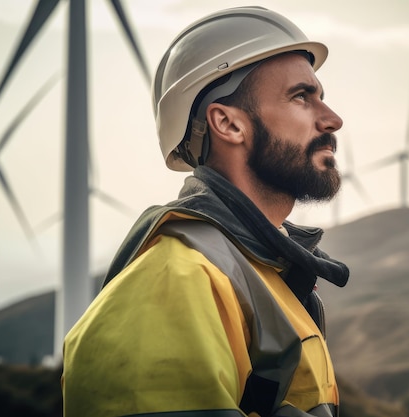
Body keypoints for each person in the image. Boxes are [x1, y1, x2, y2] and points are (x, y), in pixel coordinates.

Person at [61, 6, 349, 417]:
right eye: (301, 97)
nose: (332, 119)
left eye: (321, 96)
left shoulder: (265, 276)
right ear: (229, 124)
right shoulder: (174, 282)